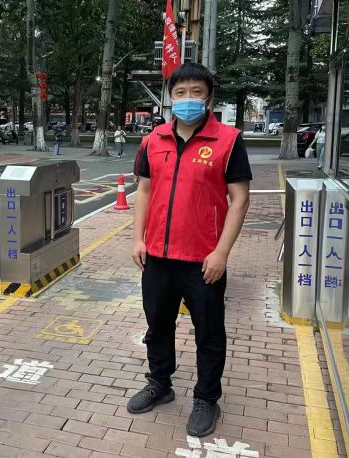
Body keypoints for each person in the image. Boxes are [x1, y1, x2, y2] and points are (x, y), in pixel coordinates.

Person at [128, 63, 252, 438]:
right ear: (170, 97)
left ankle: (206, 398)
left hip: (203, 261)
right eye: (180, 93)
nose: (187, 99)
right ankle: (160, 383)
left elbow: (240, 199)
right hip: (157, 257)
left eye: (196, 92)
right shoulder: (154, 140)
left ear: (208, 97)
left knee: (209, 333)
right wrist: (137, 239)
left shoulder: (228, 141)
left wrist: (222, 253)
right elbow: (144, 190)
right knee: (157, 325)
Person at [133, 116, 166, 183]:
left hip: (149, 175)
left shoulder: (147, 139)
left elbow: (139, 158)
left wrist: (136, 174)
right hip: (162, 175)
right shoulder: (169, 138)